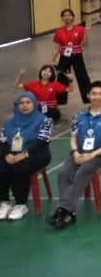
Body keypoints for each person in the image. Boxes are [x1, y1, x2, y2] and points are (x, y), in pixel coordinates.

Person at [49, 82, 101, 229]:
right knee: (63, 173)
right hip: (78, 153)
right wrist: (75, 152)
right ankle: (69, 211)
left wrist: (93, 154)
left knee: (82, 172)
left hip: (97, 156)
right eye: (94, 94)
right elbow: (73, 138)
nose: (97, 97)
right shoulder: (79, 116)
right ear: (88, 95)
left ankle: (63, 209)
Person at [0, 93, 53, 222]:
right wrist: (7, 155)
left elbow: (42, 142)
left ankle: (21, 204)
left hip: (37, 154)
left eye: (28, 102)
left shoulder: (45, 120)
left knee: (20, 167)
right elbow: (2, 142)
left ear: (34, 104)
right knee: (2, 166)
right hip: (12, 153)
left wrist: (23, 155)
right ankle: (4, 202)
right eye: (21, 103)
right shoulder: (8, 123)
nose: (24, 106)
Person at [53, 8, 90, 103]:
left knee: (82, 76)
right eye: (65, 15)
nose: (67, 17)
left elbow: (84, 44)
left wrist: (86, 32)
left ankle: (88, 98)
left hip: (77, 55)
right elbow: (56, 47)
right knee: (62, 76)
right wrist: (53, 59)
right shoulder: (59, 31)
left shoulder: (80, 29)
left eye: (69, 15)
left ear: (73, 17)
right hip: (64, 56)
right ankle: (61, 100)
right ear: (62, 18)